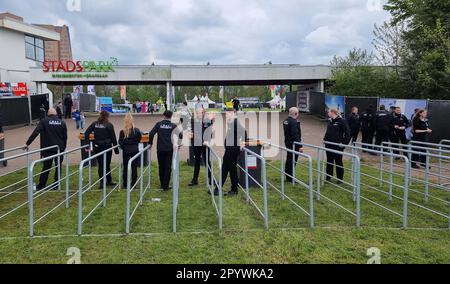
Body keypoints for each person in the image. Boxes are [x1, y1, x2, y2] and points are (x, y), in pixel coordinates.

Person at [25, 108, 67, 191]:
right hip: (59, 148)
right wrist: (63, 147)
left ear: (48, 114)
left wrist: (27, 143)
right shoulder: (62, 122)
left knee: (46, 167)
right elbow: (65, 137)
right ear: (56, 114)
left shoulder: (44, 121)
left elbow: (36, 132)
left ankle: (41, 184)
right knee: (58, 166)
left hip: (48, 148)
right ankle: (56, 184)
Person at [211, 111, 247, 196]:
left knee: (232, 170)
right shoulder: (231, 122)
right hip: (229, 150)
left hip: (233, 150)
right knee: (224, 169)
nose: (226, 115)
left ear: (232, 114)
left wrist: (243, 142)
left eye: (227, 114)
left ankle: (234, 190)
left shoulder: (235, 122)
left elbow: (244, 132)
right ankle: (218, 189)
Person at [149, 110, 183, 191]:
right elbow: (180, 135)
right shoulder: (173, 125)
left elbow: (151, 134)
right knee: (168, 167)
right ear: (171, 116)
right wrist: (178, 144)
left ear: (164, 115)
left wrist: (150, 143)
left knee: (161, 166)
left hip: (160, 149)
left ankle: (162, 184)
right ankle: (165, 185)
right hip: (169, 149)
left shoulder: (159, 124)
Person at [84, 111, 119, 188]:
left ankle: (103, 182)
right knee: (107, 164)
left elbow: (86, 133)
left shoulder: (95, 124)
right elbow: (113, 138)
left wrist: (88, 144)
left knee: (101, 164)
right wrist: (116, 150)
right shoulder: (109, 125)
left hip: (98, 147)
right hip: (107, 147)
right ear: (107, 116)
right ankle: (107, 181)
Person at [323, 108, 351, 183]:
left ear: (333, 112)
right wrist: (325, 139)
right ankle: (328, 177)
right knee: (329, 161)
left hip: (338, 146)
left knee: (338, 162)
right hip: (329, 145)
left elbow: (348, 133)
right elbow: (328, 132)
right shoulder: (330, 121)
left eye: (328, 112)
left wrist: (344, 143)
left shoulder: (342, 121)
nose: (328, 113)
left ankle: (340, 179)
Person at [189, 109, 214, 186]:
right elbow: (193, 132)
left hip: (205, 145)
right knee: (197, 162)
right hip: (196, 144)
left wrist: (206, 141)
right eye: (198, 113)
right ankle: (195, 180)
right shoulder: (193, 121)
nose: (199, 114)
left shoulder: (208, 121)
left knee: (207, 162)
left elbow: (210, 132)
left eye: (200, 113)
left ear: (204, 113)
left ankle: (211, 179)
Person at [119, 113, 142, 189]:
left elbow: (120, 142)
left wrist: (124, 147)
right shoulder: (137, 130)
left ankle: (125, 183)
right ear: (132, 120)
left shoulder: (122, 131)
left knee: (125, 167)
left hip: (126, 150)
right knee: (134, 167)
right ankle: (134, 184)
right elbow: (139, 139)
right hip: (134, 150)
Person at [283, 107, 303, 183]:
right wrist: (300, 146)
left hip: (288, 143)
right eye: (297, 113)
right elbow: (295, 135)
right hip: (293, 144)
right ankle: (290, 178)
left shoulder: (286, 121)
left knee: (289, 159)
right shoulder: (293, 122)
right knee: (292, 161)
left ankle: (288, 176)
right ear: (295, 113)